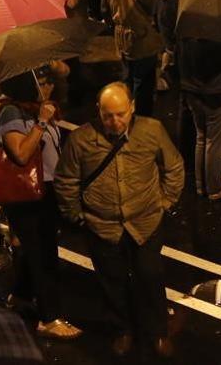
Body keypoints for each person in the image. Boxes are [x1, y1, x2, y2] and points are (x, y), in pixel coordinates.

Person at [52, 82, 184, 357]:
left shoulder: (151, 131)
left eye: (121, 114)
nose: (115, 121)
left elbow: (173, 167)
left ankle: (157, 330)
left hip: (145, 223)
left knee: (150, 276)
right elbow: (66, 181)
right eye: (108, 115)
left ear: (132, 107)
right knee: (111, 282)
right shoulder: (81, 140)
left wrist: (164, 202)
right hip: (102, 226)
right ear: (98, 111)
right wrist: (76, 216)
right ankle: (122, 329)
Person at [0, 69, 82, 339]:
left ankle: (19, 295)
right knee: (43, 254)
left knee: (36, 249)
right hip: (27, 196)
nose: (47, 87)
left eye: (48, 82)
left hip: (45, 191)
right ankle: (49, 317)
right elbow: (20, 154)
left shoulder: (33, 109)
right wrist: (41, 123)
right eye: (41, 83)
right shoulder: (11, 113)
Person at [178, 30, 221, 201]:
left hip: (191, 92)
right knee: (214, 142)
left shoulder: (185, 36)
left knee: (201, 137)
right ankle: (214, 188)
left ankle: (201, 185)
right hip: (216, 94)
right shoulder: (216, 41)